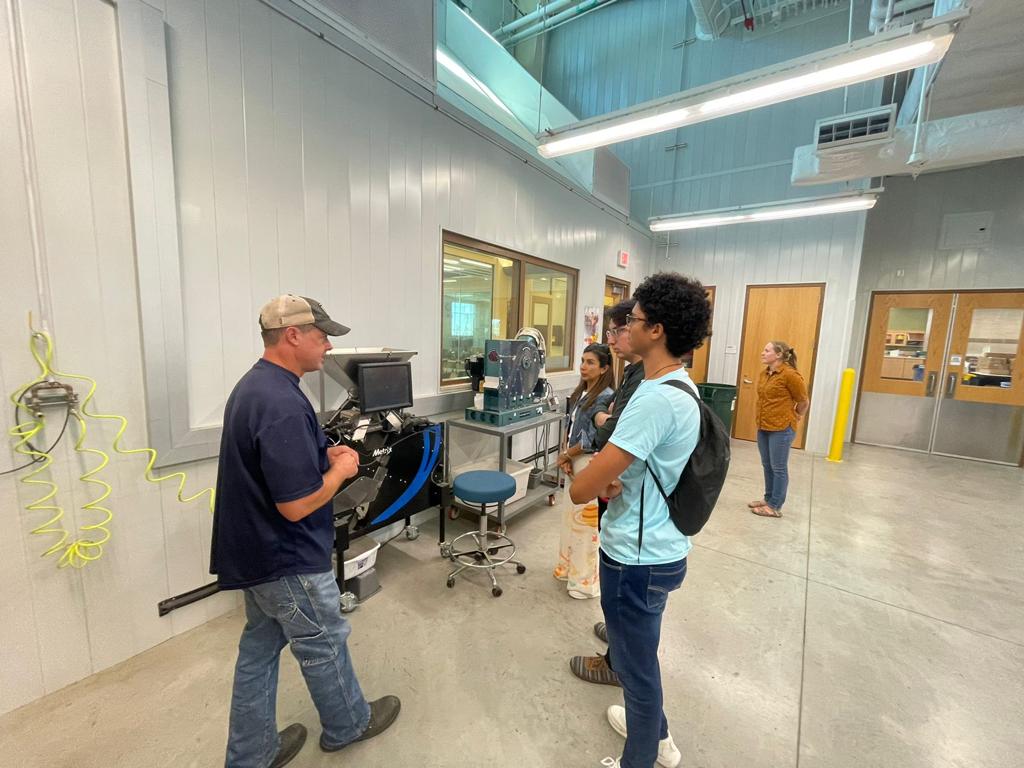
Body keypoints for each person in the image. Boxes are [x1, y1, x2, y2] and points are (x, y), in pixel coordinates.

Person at [211, 294, 401, 768]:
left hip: (254, 552)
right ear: (292, 335)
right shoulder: (280, 402)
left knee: (259, 651)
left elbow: (280, 468)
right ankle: (348, 725)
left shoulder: (258, 387)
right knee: (323, 641)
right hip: (287, 557)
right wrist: (342, 469)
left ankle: (252, 753)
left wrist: (324, 458)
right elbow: (295, 505)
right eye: (321, 337)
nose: (326, 347)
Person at [569, 273, 712, 768]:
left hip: (636, 557)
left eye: (632, 320)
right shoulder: (676, 386)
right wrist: (617, 478)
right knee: (640, 657)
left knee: (634, 668)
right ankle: (660, 739)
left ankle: (641, 758)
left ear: (657, 331)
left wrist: (592, 479)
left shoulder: (654, 399)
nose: (623, 329)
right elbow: (642, 468)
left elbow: (581, 488)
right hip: (659, 545)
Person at [568, 299, 645, 686]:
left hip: (639, 519)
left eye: (619, 329)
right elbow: (608, 423)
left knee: (629, 594)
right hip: (622, 497)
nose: (613, 339)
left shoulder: (653, 385)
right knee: (618, 593)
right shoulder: (635, 375)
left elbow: (608, 430)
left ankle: (617, 662)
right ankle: (617, 640)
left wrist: (604, 420)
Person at [554, 343, 616, 598]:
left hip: (589, 463)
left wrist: (568, 454)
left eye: (590, 362)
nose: (583, 366)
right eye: (582, 360)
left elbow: (593, 438)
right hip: (573, 461)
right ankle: (567, 568)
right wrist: (566, 454)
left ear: (604, 368)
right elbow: (572, 428)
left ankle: (584, 583)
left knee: (585, 526)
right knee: (571, 519)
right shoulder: (581, 392)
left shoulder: (606, 397)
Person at [749, 340, 809, 519]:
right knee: (767, 465)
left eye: (766, 350)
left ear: (778, 355)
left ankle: (775, 506)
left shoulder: (791, 375)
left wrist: (796, 415)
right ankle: (768, 499)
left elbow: (804, 401)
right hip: (764, 426)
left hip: (782, 428)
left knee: (778, 467)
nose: (762, 353)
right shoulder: (765, 373)